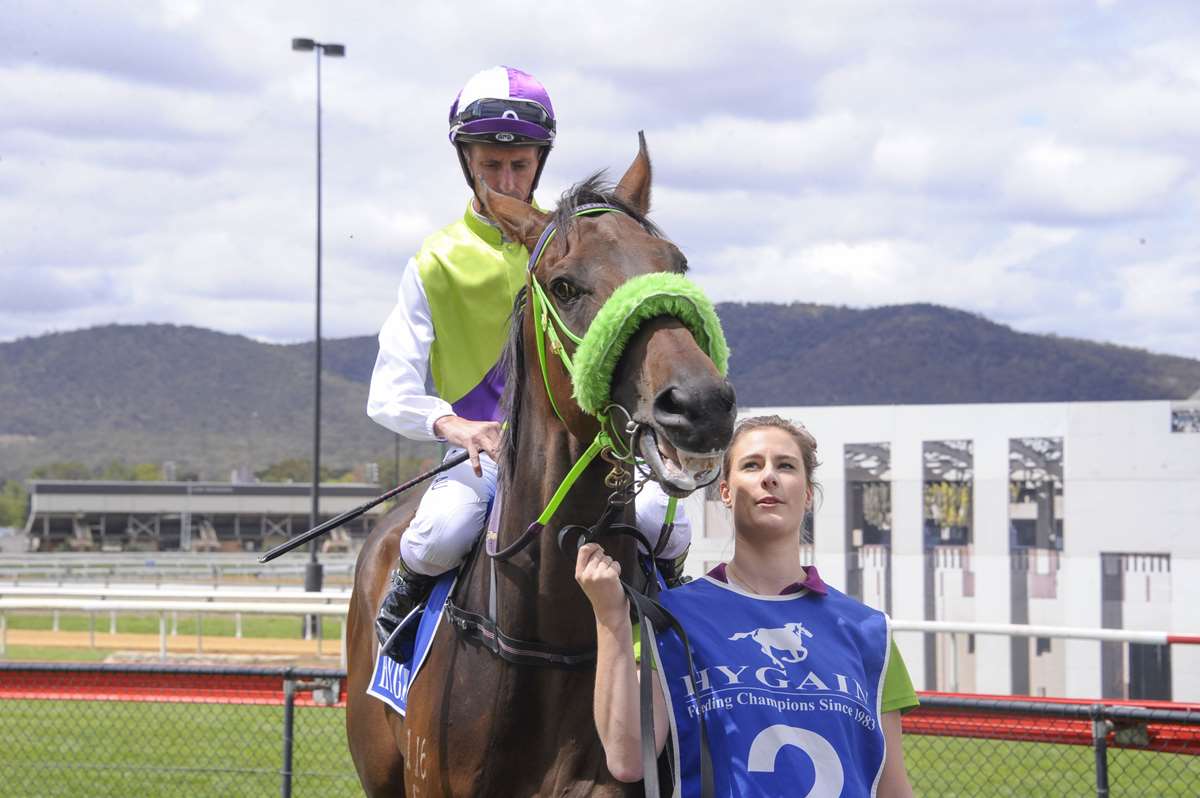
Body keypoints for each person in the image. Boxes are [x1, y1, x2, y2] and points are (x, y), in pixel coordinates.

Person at [367, 65, 691, 658]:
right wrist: (455, 425)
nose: (507, 179)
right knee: (441, 533)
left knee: (666, 524)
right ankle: (398, 626)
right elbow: (388, 391)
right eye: (491, 164)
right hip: (485, 453)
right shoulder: (435, 261)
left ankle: (675, 631)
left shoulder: (579, 248)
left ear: (539, 162)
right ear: (467, 162)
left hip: (588, 446)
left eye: (520, 164)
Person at [577, 415, 917, 796]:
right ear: (725, 490)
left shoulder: (869, 632)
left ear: (807, 493)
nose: (769, 476)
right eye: (751, 465)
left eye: (785, 466)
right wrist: (609, 617)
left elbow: (893, 788)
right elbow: (627, 759)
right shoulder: (670, 617)